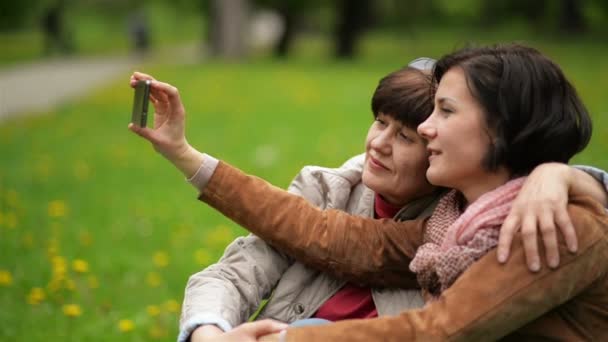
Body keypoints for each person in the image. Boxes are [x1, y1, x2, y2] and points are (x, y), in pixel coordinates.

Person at [128, 44, 608, 340]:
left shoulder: (546, 223)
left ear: (502, 131)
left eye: (441, 113)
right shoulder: (452, 226)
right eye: (381, 122)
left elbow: (436, 333)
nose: (426, 126)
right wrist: (185, 156)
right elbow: (327, 235)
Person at [178, 59, 441, 342]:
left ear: (439, 153)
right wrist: (210, 334)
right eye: (380, 122)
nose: (378, 144)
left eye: (404, 137)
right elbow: (235, 273)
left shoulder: (457, 228)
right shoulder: (327, 190)